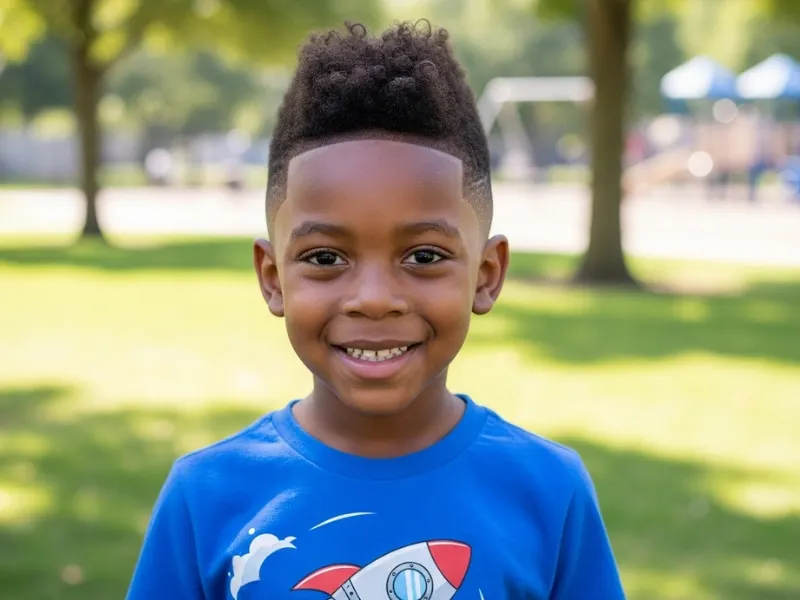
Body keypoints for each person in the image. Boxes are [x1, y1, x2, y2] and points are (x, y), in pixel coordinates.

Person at [126, 21, 625, 600]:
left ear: (486, 275)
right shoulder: (205, 497)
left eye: (423, 256)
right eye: (326, 257)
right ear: (273, 278)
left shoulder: (550, 493)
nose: (374, 298)